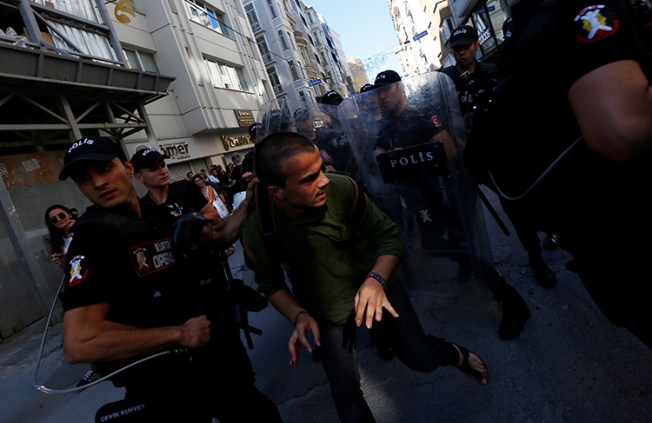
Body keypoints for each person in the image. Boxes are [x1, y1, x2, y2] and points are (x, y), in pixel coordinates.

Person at [241, 132, 488, 422]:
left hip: (378, 285)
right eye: (308, 179)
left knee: (420, 358)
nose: (323, 181)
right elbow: (271, 284)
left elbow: (389, 237)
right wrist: (298, 315)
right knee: (346, 396)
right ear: (277, 192)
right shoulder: (258, 230)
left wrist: (376, 280)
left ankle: (455, 354)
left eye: (321, 168)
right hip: (327, 311)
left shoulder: (342, 189)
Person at [465, 0, 652, 348]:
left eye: (465, 46)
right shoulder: (569, 10)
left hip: (601, 240)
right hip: (628, 227)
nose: (461, 53)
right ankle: (536, 257)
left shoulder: (529, 29)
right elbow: (622, 130)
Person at [57, 136, 282, 422]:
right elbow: (80, 341)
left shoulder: (156, 215)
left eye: (104, 169)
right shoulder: (94, 238)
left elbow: (218, 236)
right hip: (163, 383)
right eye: (84, 178)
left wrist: (250, 199)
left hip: (211, 362)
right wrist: (180, 334)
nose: (98, 182)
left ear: (126, 167)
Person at [371, 69, 531, 341]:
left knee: (464, 241)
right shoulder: (387, 125)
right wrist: (385, 155)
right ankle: (468, 264)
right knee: (434, 243)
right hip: (419, 199)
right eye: (379, 93)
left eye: (387, 90)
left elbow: (449, 148)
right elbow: (378, 155)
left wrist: (402, 155)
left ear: (400, 89)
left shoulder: (421, 114)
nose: (382, 97)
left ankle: (511, 301)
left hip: (446, 192)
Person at [440, 24, 558, 289]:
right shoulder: (445, 83)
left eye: (465, 47)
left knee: (522, 202)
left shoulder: (494, 73)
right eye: (456, 49)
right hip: (472, 158)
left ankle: (538, 250)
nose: (461, 53)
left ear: (476, 46)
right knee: (470, 212)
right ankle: (473, 262)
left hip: (506, 151)